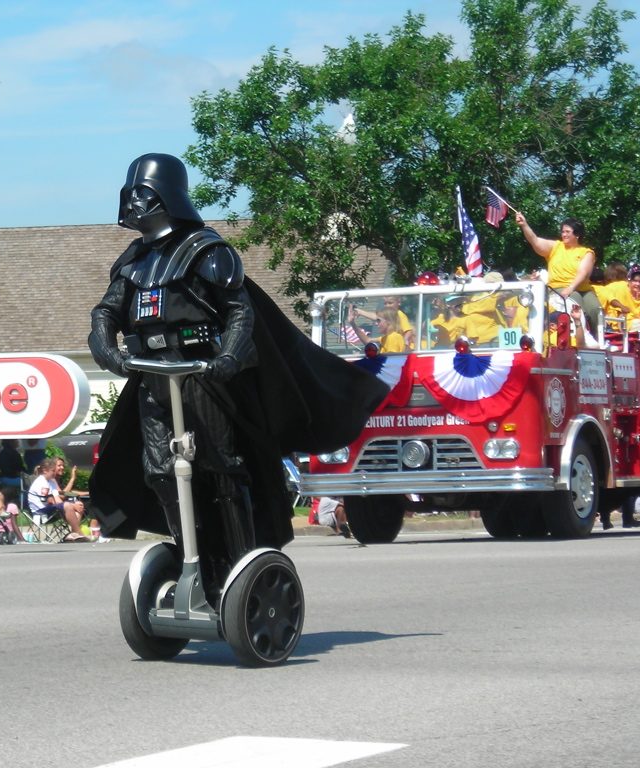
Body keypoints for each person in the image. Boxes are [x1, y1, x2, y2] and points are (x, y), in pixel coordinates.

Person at [88, 152, 387, 603]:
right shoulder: (134, 259)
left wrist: (227, 357)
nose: (132, 204)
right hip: (151, 374)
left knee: (219, 467)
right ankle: (195, 558)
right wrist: (107, 348)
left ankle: (239, 560)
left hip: (202, 375)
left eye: (142, 194)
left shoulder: (207, 251)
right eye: (128, 195)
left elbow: (240, 313)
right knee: (159, 472)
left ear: (165, 195)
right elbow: (106, 312)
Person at [515, 212, 601, 333]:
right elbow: (535, 240)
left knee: (596, 309)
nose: (564, 234)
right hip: (559, 287)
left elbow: (583, 273)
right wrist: (524, 225)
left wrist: (571, 288)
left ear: (577, 234)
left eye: (567, 232)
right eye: (563, 231)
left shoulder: (587, 252)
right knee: (576, 302)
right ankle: (581, 338)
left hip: (582, 289)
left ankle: (597, 340)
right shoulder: (556, 247)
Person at [28, 456, 88, 542]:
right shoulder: (41, 482)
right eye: (52, 471)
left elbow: (57, 499)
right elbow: (50, 501)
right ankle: (79, 533)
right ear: (45, 470)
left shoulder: (51, 481)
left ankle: (73, 535)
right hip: (41, 511)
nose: (54, 473)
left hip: (50, 509)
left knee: (78, 504)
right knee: (67, 505)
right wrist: (70, 505)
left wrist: (73, 505)